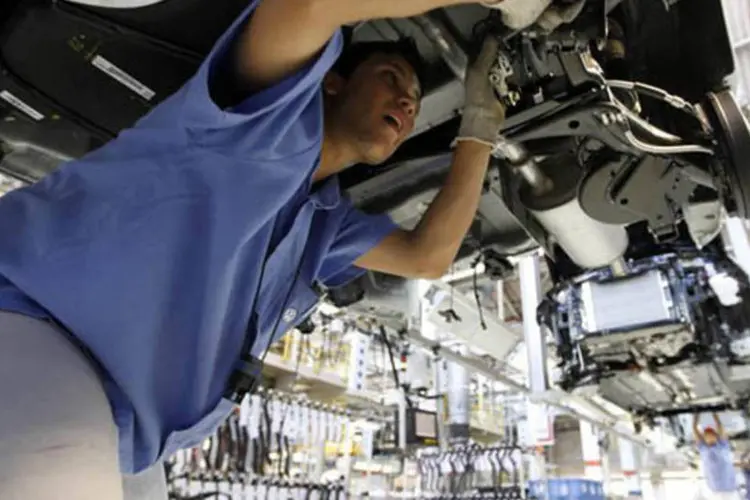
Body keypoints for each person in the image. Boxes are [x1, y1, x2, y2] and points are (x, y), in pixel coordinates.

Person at [0, 0, 544, 497]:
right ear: (331, 81)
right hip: (42, 325)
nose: (406, 102)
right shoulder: (263, 125)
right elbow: (308, 6)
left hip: (128, 426)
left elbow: (428, 256)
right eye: (391, 78)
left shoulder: (323, 223)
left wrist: (480, 124)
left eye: (415, 102)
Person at [694, 412, 739, 500]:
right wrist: (696, 416)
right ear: (704, 438)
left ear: (715, 435)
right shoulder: (703, 448)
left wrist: (714, 413)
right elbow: (695, 429)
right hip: (715, 491)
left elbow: (719, 425)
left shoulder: (722, 445)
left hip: (729, 489)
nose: (709, 436)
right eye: (706, 435)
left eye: (711, 434)